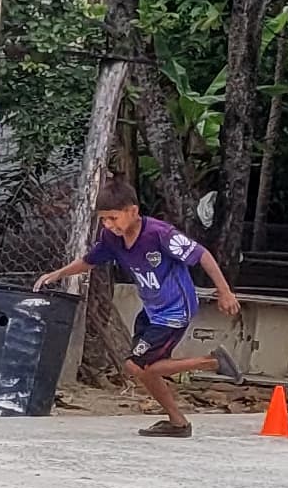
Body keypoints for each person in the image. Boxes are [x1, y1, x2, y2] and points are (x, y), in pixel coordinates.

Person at [33, 182, 241, 435]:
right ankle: (178, 423)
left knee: (136, 365)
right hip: (151, 311)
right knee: (145, 369)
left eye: (113, 218)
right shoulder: (111, 238)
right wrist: (57, 274)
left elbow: (202, 255)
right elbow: (88, 261)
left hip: (175, 311)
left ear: (132, 211)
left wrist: (224, 291)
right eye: (103, 219)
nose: (108, 224)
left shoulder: (160, 234)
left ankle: (212, 362)